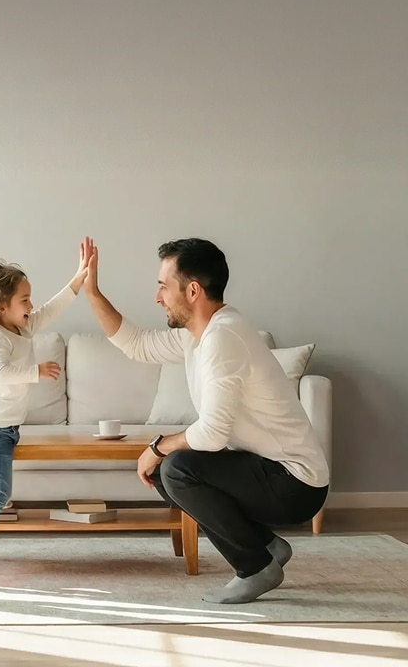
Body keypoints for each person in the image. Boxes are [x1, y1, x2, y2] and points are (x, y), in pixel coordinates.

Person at [84, 237, 329, 604]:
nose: (157, 297)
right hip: (269, 471)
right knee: (170, 468)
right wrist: (92, 292)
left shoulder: (222, 337)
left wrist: (157, 446)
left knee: (177, 467)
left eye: (163, 286)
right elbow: (135, 344)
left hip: (295, 482)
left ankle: (255, 566)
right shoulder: (199, 335)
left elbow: (213, 434)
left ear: (193, 290)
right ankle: (264, 546)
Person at [0, 238, 92, 583]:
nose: (31, 304)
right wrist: (36, 372)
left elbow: (54, 307)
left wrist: (79, 276)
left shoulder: (23, 327)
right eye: (24, 299)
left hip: (7, 427)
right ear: (1, 307)